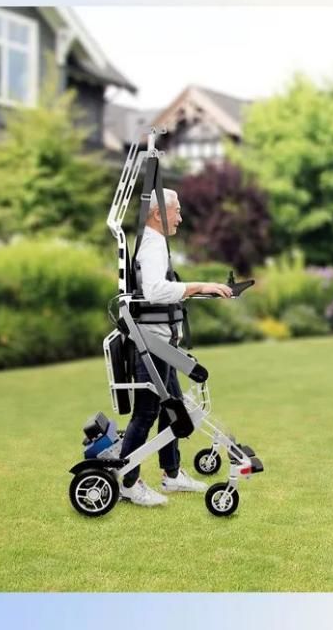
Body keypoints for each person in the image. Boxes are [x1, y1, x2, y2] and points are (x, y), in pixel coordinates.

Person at [118, 187, 233, 507]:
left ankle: (171, 474)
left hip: (159, 341)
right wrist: (201, 286)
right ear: (158, 214)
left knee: (173, 408)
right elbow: (155, 290)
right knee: (146, 412)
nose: (181, 217)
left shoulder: (154, 243)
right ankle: (128, 482)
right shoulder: (153, 246)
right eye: (177, 211)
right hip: (151, 343)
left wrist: (205, 292)